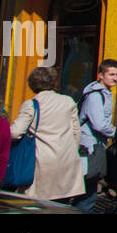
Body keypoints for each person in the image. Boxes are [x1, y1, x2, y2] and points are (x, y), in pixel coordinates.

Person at [10, 66, 84, 201]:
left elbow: (15, 133)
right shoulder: (68, 102)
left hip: (41, 163)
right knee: (61, 205)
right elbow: (76, 134)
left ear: (32, 84)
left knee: (37, 205)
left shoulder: (32, 104)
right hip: (66, 162)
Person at [77, 59, 117, 197]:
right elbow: (99, 124)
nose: (115, 78)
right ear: (101, 75)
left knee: (90, 186)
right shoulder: (95, 96)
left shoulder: (105, 93)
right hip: (88, 146)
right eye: (111, 74)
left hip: (96, 145)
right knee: (87, 189)